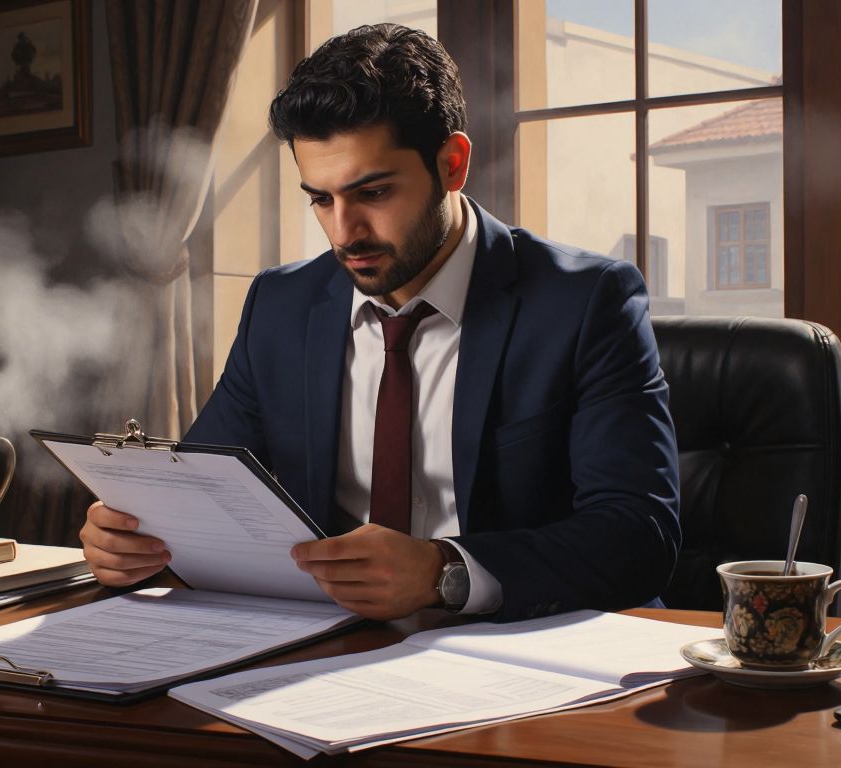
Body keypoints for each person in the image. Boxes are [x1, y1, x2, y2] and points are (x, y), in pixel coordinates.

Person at [79, 23, 680, 623]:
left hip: (521, 651)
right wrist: (138, 539)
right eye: (320, 199)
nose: (345, 233)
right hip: (321, 645)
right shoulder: (280, 306)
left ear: (452, 164)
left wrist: (444, 572)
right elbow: (204, 494)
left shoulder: (586, 301)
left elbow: (638, 535)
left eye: (373, 192)